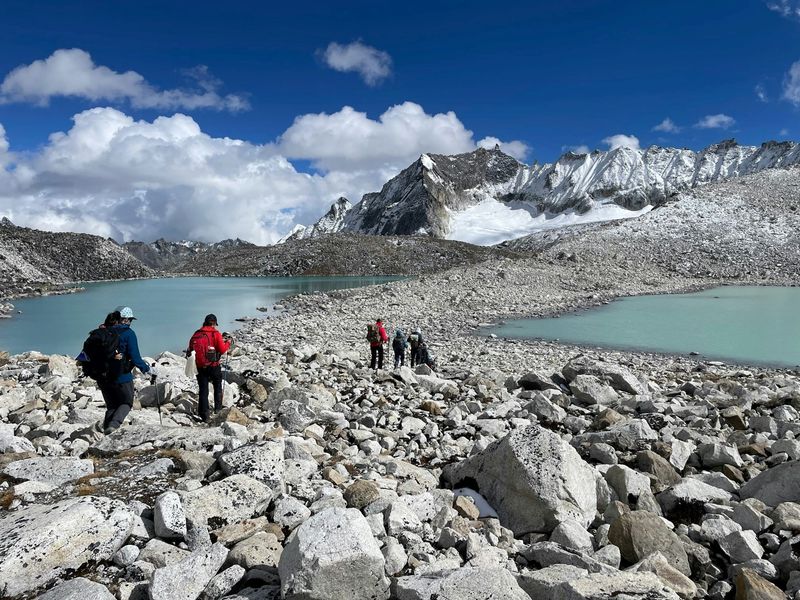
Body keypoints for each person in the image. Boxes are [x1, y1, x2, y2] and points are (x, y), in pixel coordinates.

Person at [101, 306, 150, 434]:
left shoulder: (103, 331)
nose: (130, 322)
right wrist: (147, 369)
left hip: (103, 376)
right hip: (122, 376)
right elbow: (135, 358)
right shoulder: (129, 334)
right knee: (126, 403)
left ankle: (107, 430)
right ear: (125, 320)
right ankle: (114, 426)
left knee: (112, 406)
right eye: (130, 320)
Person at [187, 314, 231, 422]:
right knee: (217, 385)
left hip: (200, 366)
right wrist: (228, 343)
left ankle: (204, 415)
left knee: (203, 390)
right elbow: (222, 350)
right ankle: (218, 409)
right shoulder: (215, 333)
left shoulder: (197, 333)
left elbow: (190, 349)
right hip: (213, 365)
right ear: (214, 323)